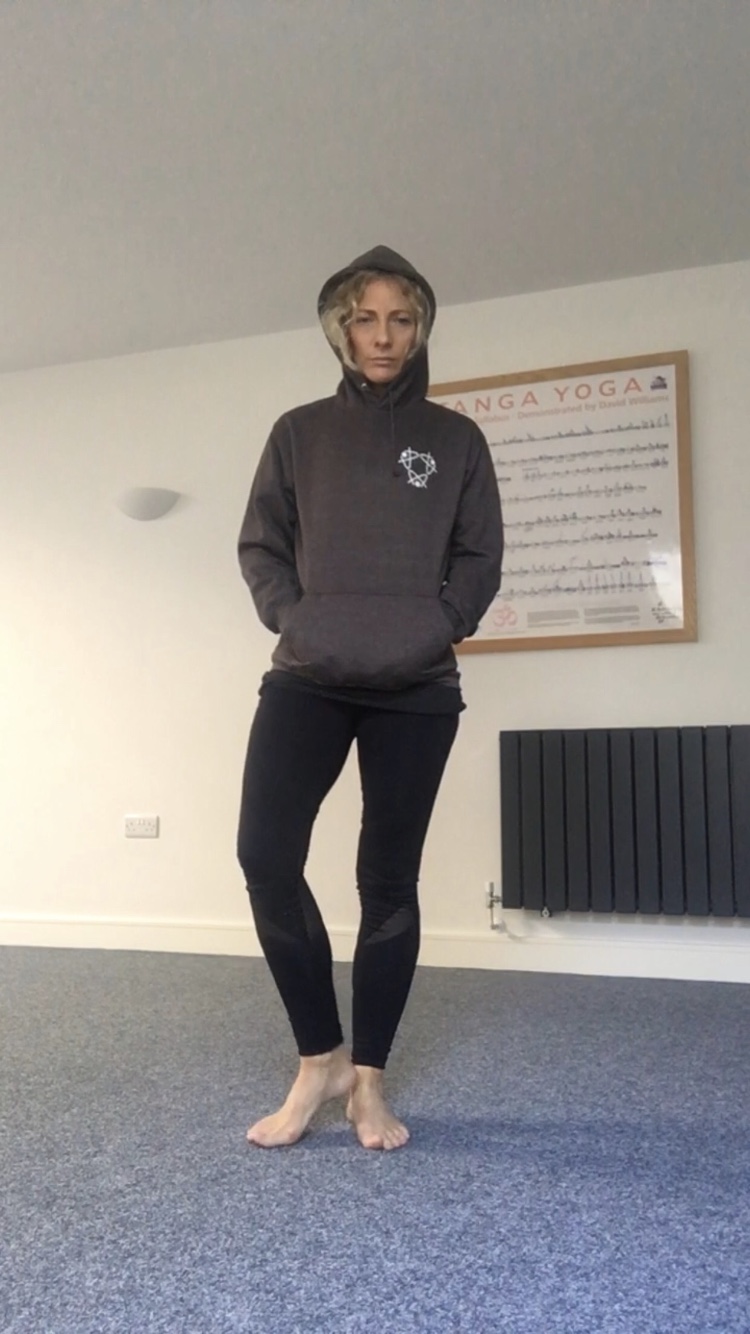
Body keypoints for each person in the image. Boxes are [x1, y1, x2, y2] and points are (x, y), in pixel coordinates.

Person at [237, 245, 503, 1150]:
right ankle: (321, 1059)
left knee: (387, 881)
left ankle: (372, 1083)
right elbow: (262, 546)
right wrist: (298, 620)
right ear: (340, 332)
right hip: (307, 676)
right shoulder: (298, 432)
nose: (383, 336)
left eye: (401, 319)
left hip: (417, 688)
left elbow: (479, 557)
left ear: (420, 330)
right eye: (364, 319)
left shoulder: (456, 441)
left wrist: (437, 627)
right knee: (265, 855)